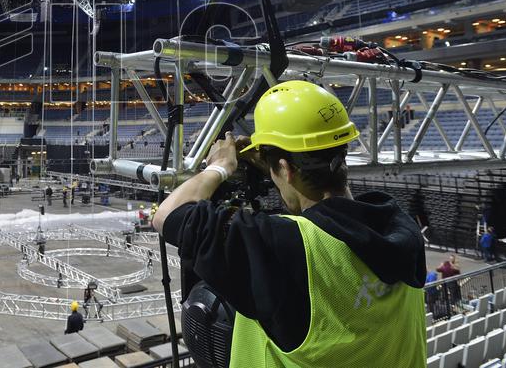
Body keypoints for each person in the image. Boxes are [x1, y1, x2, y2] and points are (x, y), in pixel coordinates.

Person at [153, 80, 426, 367]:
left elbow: (168, 215)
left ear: (285, 169)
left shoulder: (290, 246)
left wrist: (220, 166)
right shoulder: (400, 226)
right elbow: (342, 221)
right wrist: (276, 164)